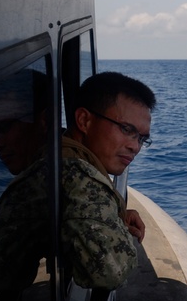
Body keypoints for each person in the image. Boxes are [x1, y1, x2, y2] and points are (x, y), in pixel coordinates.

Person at [61, 71, 157, 289]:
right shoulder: (77, 177)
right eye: (126, 129)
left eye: (142, 138)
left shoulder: (64, 150)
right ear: (84, 120)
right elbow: (110, 273)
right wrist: (121, 232)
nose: (135, 146)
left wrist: (113, 213)